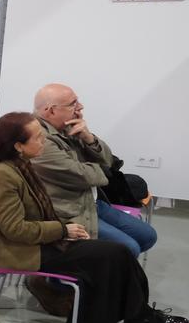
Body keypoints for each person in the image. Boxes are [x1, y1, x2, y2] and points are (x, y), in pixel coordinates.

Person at [0, 113, 184, 323]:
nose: (44, 143)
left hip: (41, 242)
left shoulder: (21, 165)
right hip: (23, 250)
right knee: (108, 258)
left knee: (116, 254)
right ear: (18, 145)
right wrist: (63, 229)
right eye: (38, 138)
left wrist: (65, 229)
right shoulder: (2, 175)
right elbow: (14, 229)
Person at [31, 83, 157, 258]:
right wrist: (101, 170)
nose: (80, 107)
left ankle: (97, 269)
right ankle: (58, 282)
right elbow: (84, 175)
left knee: (148, 236)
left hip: (91, 202)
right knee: (128, 249)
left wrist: (88, 138)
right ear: (51, 111)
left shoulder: (67, 128)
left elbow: (108, 161)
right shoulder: (38, 138)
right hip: (67, 211)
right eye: (73, 104)